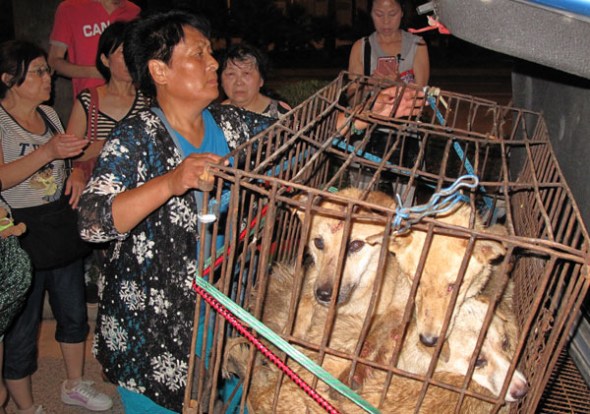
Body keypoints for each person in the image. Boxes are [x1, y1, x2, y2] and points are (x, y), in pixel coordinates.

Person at [77, 11, 272, 413]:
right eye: (198, 54)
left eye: (209, 53)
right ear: (159, 71)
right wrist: (171, 181)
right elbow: (93, 221)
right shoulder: (135, 137)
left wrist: (355, 119)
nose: (214, 63)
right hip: (152, 322)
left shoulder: (230, 122)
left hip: (222, 305)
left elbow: (293, 137)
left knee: (242, 395)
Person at [0, 40, 112, 413]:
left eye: (46, 70)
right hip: (20, 230)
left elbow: (70, 155)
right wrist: (47, 152)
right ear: (8, 78)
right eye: (38, 71)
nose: (49, 77)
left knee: (73, 310)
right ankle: (27, 406)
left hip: (58, 224)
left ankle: (74, 383)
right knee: (22, 324)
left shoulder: (49, 114)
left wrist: (80, 165)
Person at [65, 20, 150, 304]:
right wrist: (108, 144)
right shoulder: (89, 100)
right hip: (102, 197)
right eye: (120, 53)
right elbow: (70, 152)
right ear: (104, 58)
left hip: (139, 194)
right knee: (111, 273)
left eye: (133, 53)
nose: (128, 60)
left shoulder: (149, 101)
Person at [48, 0, 141, 99]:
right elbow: (54, 61)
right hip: (91, 100)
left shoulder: (133, 11)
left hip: (130, 99)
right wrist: (98, 71)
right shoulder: (70, 8)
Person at [348, 0, 429, 88]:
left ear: (402, 12)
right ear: (371, 13)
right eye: (379, 14)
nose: (386, 21)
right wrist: (368, 85)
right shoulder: (360, 48)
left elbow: (421, 93)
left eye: (392, 14)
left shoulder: (417, 45)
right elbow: (352, 96)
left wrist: (399, 83)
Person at [220, 43, 291, 118]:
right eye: (231, 74)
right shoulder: (213, 117)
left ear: (261, 80)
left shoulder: (281, 114)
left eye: (246, 73)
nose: (239, 82)